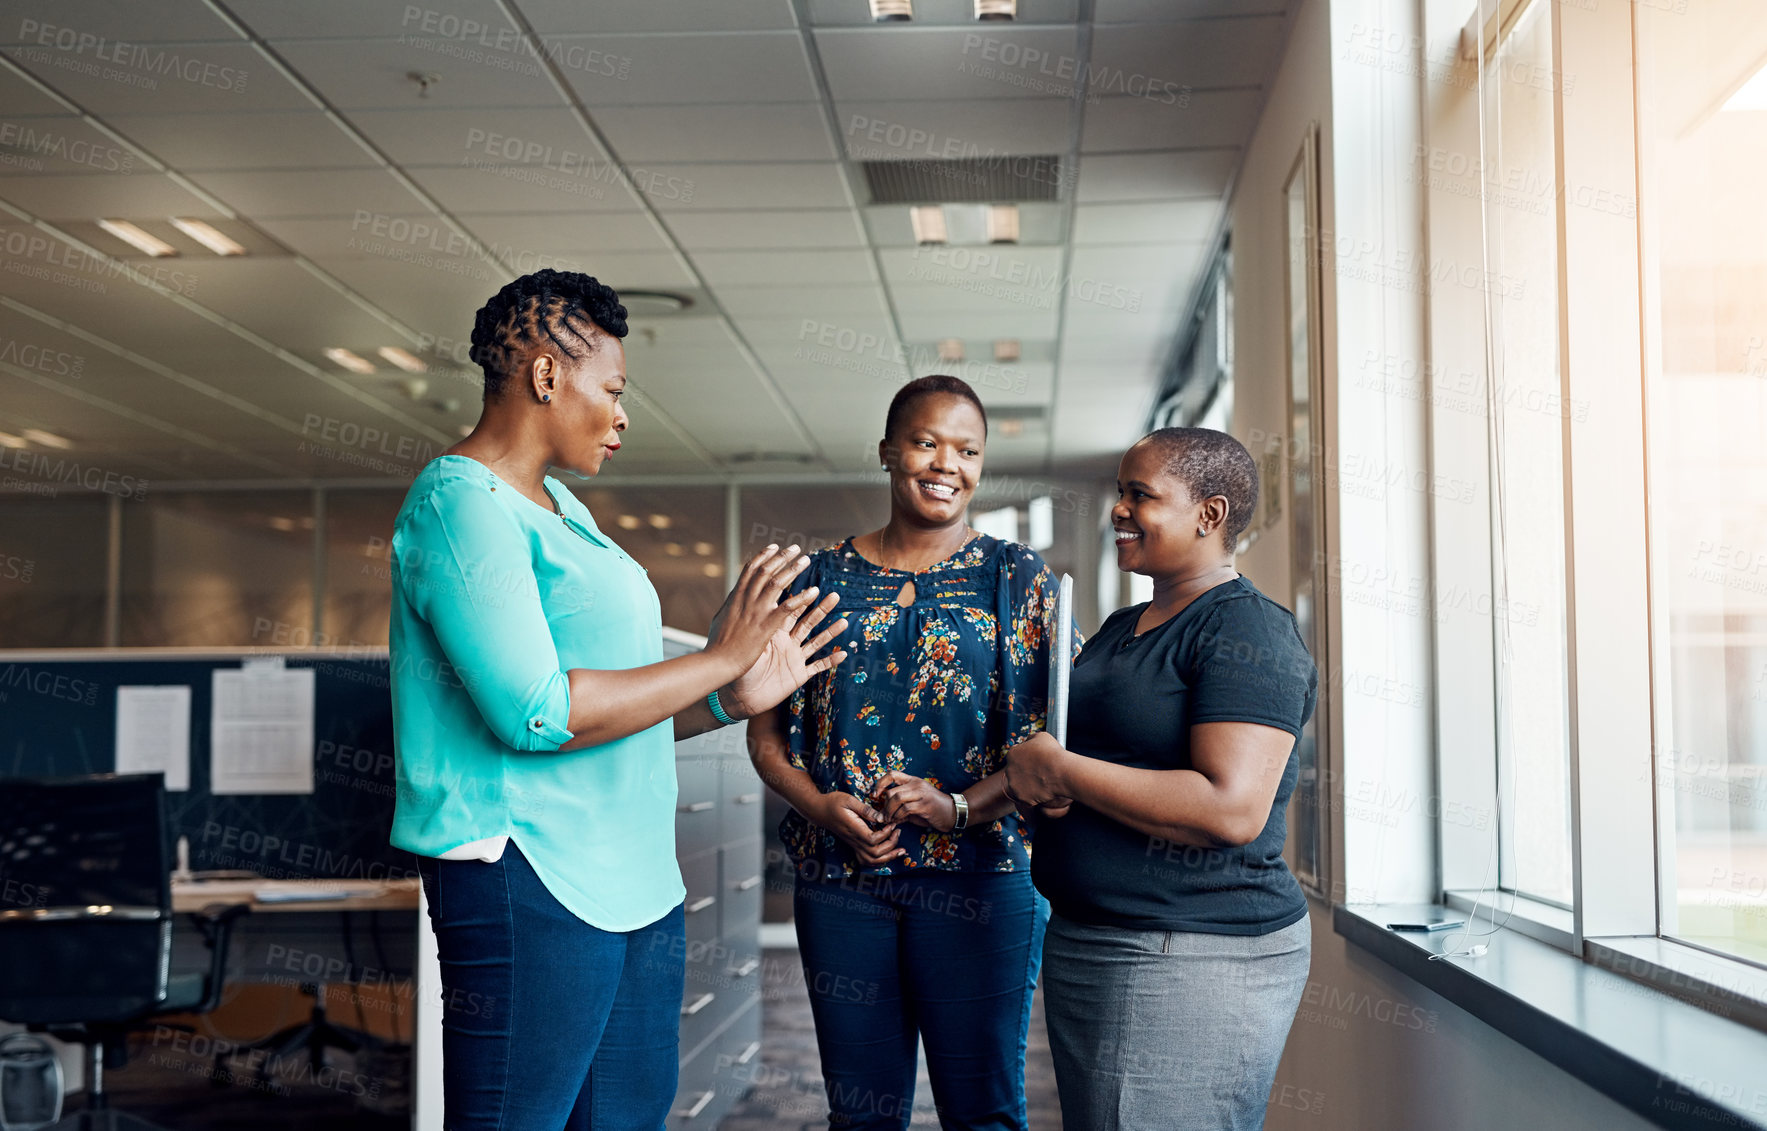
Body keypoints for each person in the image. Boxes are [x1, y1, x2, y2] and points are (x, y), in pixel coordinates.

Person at [387, 269, 850, 1130]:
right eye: (613, 388)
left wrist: (730, 693)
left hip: (636, 878)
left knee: (628, 1116)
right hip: (525, 871)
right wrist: (717, 658)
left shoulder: (563, 509)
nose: (623, 413)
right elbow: (537, 711)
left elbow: (618, 710)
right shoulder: (459, 503)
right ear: (545, 376)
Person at [747, 375, 1076, 1131]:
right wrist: (820, 807)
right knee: (859, 1112)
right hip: (841, 881)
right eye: (927, 442)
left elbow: (1049, 746)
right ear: (889, 451)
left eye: (967, 449)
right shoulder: (815, 581)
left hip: (981, 880)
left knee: (983, 1111)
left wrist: (956, 805)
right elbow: (763, 738)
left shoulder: (1015, 578)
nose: (945, 463)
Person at [1005, 427, 1318, 1131]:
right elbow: (1090, 765)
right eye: (1118, 492)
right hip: (1095, 934)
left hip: (1189, 945)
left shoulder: (1249, 632)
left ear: (1208, 514)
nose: (1117, 509)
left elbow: (1230, 808)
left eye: (1138, 494)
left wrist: (1062, 771)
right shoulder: (1124, 626)